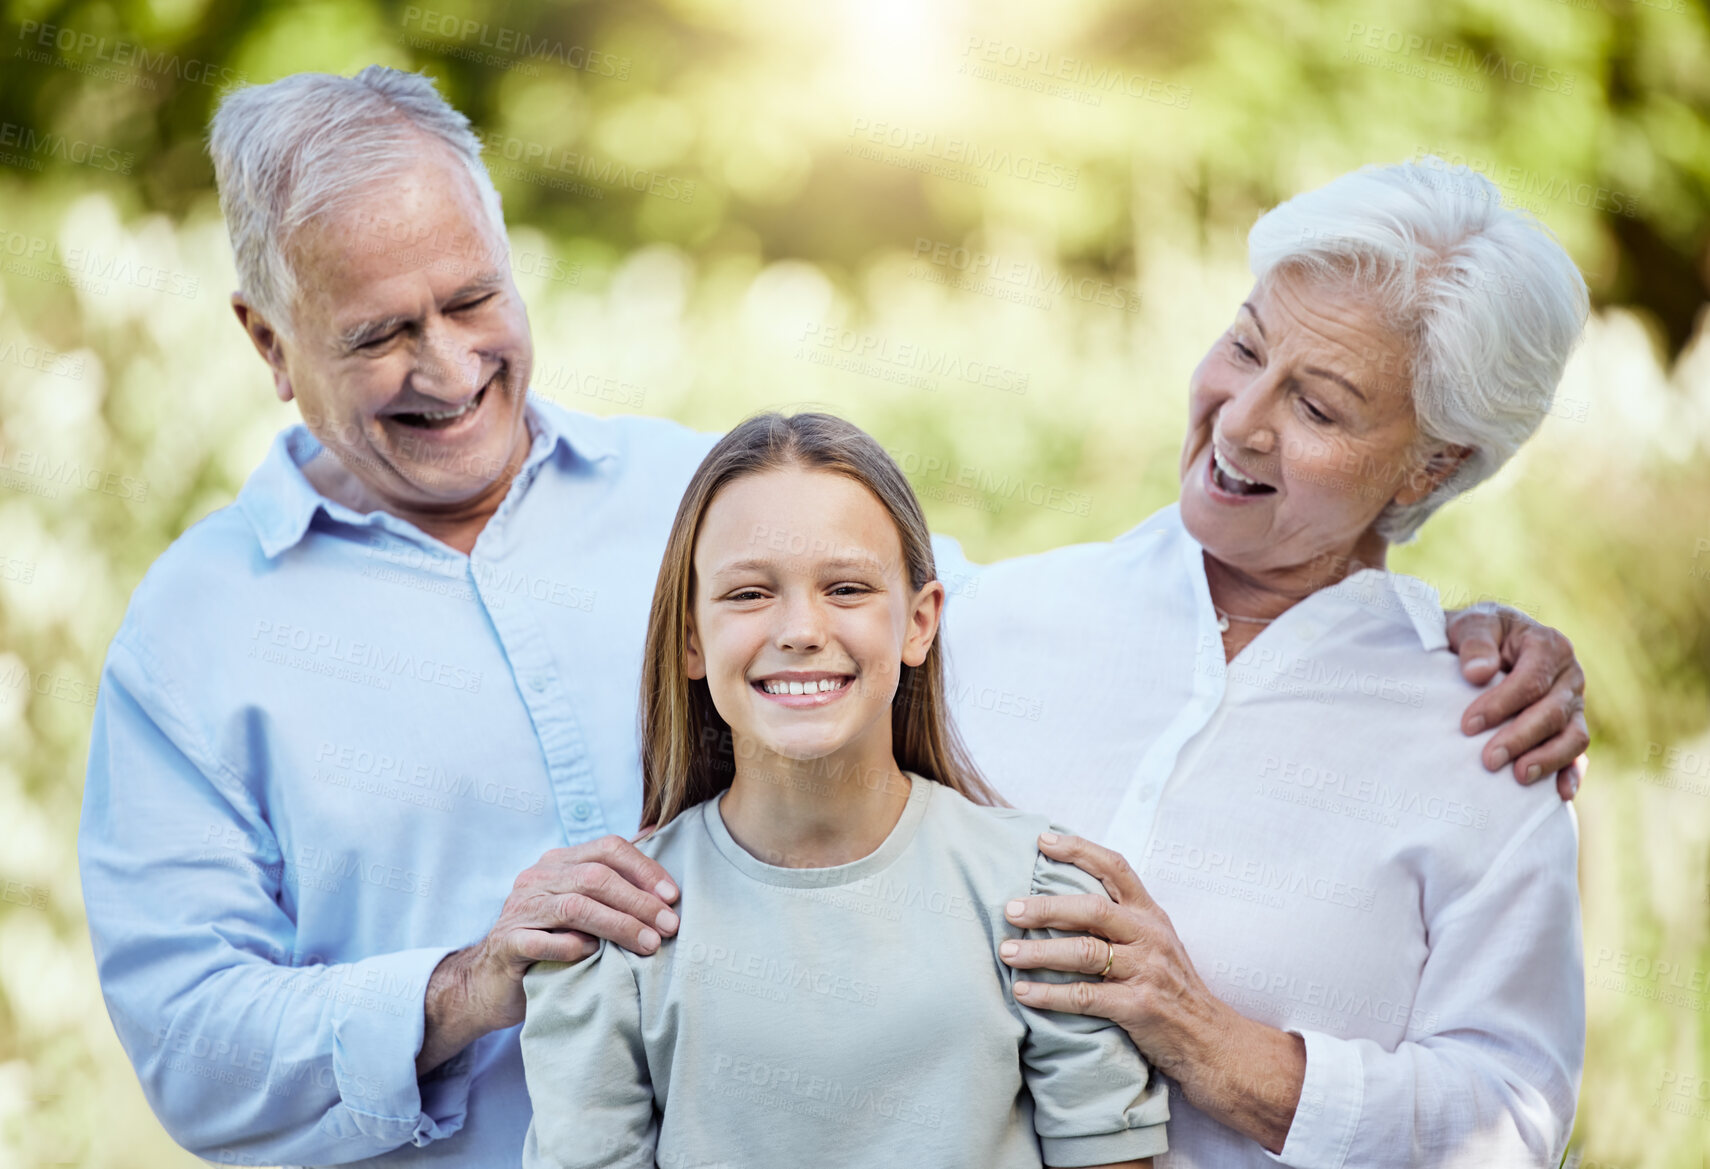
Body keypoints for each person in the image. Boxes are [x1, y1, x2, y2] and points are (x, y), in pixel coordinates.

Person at [78, 65, 1585, 1167]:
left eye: (471, 299)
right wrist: (468, 983)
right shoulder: (197, 639)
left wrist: (1472, 637)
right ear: (269, 344)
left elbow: (1510, 1109)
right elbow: (193, 1048)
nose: (448, 362)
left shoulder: (730, 503)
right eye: (377, 332)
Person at [940, 160, 1589, 1166]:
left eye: (1319, 408)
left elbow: (1514, 1111)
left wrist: (1217, 1044)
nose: (1241, 419)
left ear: (1433, 463)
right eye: (1243, 346)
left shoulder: (1487, 748)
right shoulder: (987, 618)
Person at [519, 412, 1170, 1168]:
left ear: (918, 624)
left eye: (848, 586)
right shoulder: (619, 932)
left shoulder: (1037, 897)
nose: (800, 627)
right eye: (750, 592)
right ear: (691, 638)